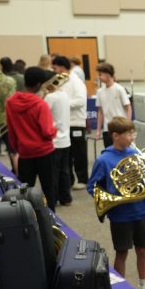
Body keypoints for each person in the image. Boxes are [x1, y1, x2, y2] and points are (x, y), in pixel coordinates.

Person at [87, 117, 145, 289]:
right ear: (115, 136)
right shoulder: (104, 160)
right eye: (128, 134)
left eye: (132, 133)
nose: (132, 137)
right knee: (122, 253)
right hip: (120, 214)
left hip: (141, 210)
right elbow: (92, 187)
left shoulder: (138, 154)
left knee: (142, 250)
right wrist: (113, 194)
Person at [5, 66, 58, 208]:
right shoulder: (41, 104)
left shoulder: (10, 103)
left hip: (24, 153)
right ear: (39, 84)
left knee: (24, 191)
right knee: (49, 189)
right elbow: (47, 132)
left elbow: (11, 129)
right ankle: (51, 219)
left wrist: (17, 148)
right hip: (44, 152)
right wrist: (55, 129)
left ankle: (26, 217)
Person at [51, 55, 89, 189]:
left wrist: (63, 104)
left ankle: (83, 179)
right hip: (64, 122)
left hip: (76, 122)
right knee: (67, 155)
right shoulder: (59, 80)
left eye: (55, 67)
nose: (54, 70)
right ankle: (70, 180)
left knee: (79, 153)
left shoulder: (76, 81)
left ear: (61, 67)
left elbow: (80, 101)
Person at [44, 71, 73, 206]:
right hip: (65, 138)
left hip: (54, 140)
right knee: (64, 170)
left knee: (53, 172)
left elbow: (43, 114)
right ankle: (66, 197)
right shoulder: (64, 95)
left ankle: (53, 198)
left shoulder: (50, 98)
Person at [95, 62, 131, 148]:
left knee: (122, 153)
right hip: (107, 129)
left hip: (120, 128)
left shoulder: (119, 89)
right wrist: (98, 130)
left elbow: (128, 108)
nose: (99, 77)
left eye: (100, 74)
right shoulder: (100, 92)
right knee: (109, 152)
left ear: (107, 74)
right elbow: (100, 112)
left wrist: (128, 126)